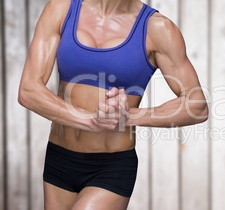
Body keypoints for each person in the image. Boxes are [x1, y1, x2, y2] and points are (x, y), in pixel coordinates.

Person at [18, 0, 209, 209]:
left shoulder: (157, 29)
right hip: (59, 159)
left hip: (111, 167)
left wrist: (130, 116)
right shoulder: (61, 9)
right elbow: (29, 90)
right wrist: (89, 120)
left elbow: (197, 105)